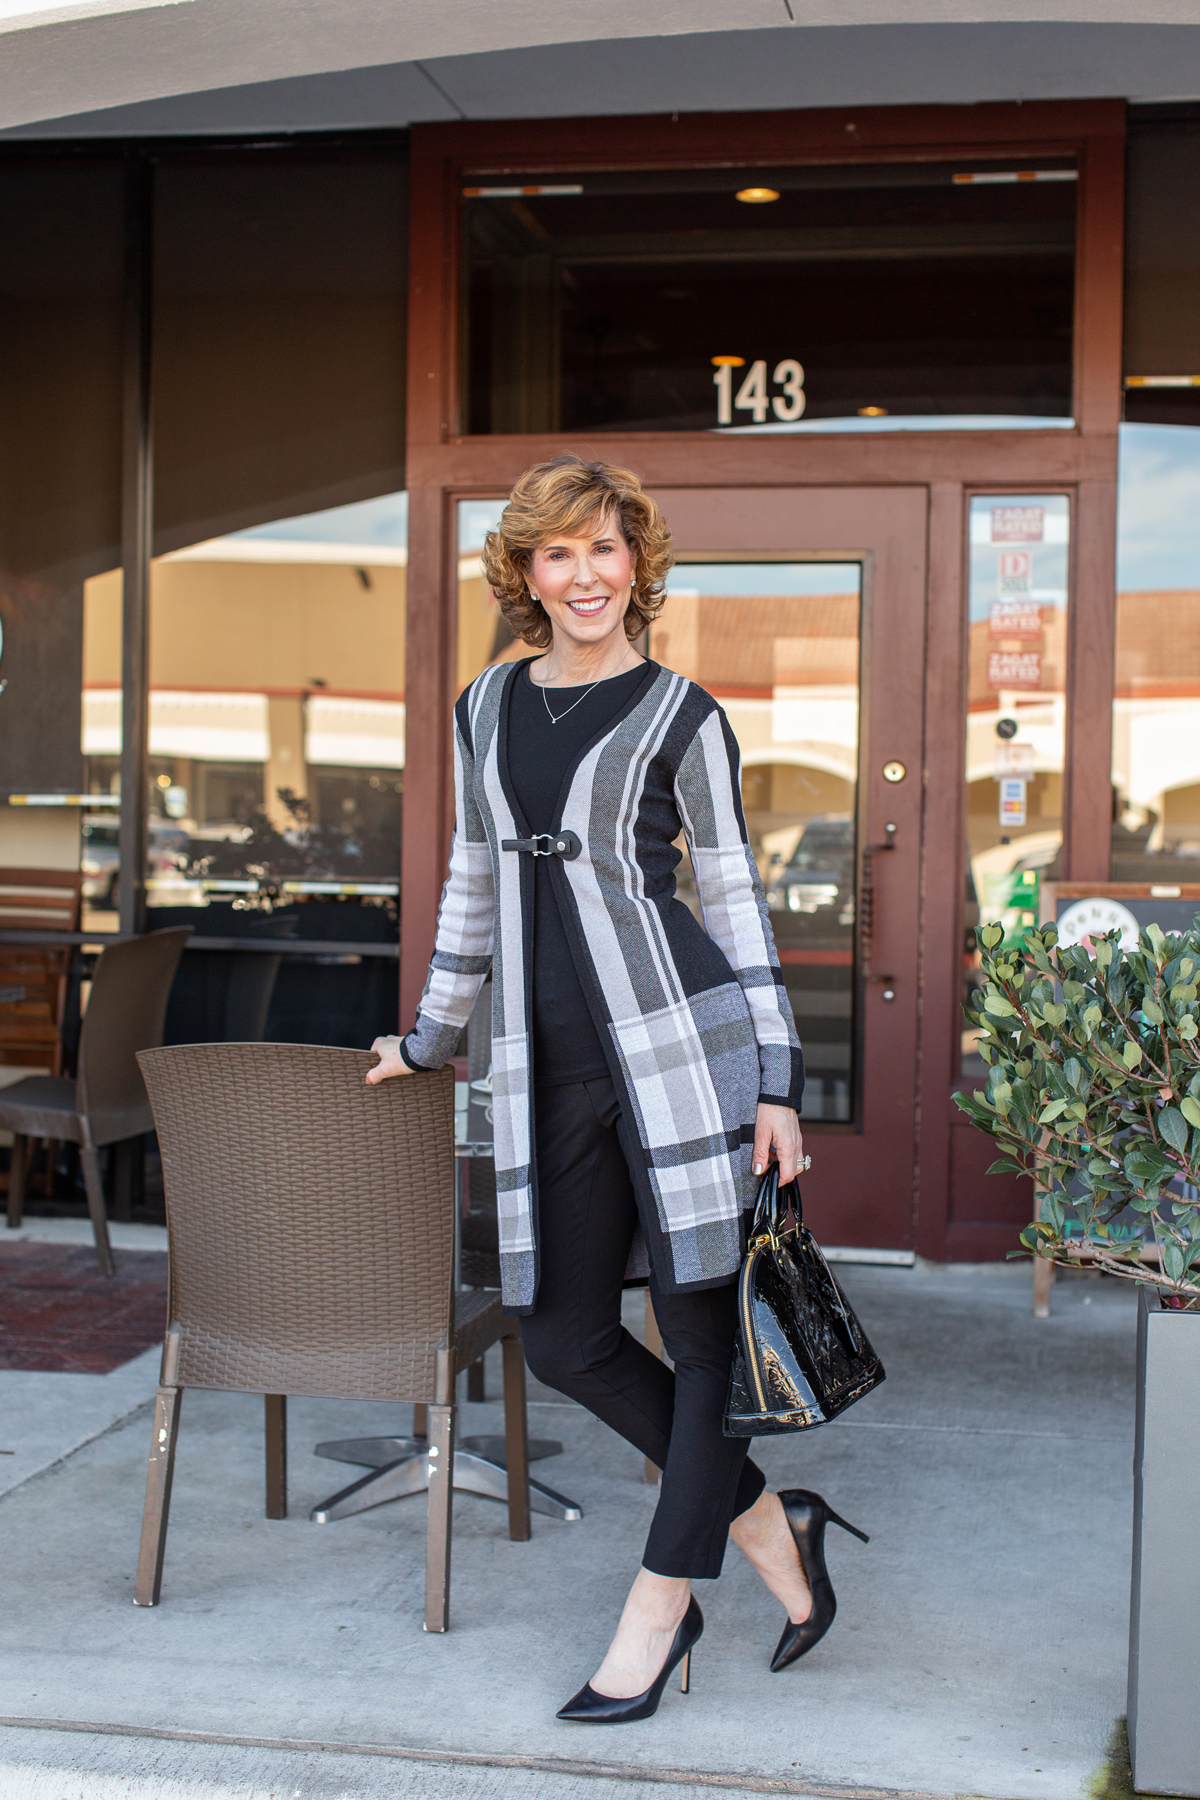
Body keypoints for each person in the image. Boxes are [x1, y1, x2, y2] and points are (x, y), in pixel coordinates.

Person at [368, 454, 866, 1723]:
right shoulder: (487, 706)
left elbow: (737, 897)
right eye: (557, 553)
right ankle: (769, 1520)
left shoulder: (684, 715)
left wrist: (775, 1083)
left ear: (637, 563)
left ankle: (661, 1600)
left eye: (605, 549)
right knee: (568, 1338)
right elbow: (474, 883)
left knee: (703, 1340)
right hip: (541, 1069)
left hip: (681, 1057)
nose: (584, 575)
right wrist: (430, 1039)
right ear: (526, 574)